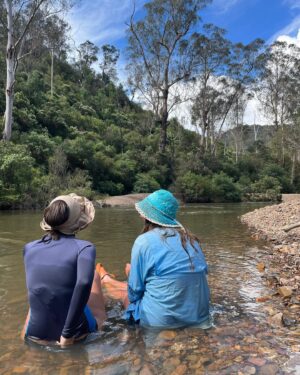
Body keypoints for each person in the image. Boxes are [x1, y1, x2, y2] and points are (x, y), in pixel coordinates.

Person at [97, 189, 210, 329]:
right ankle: (107, 279)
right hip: (199, 319)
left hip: (160, 323)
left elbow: (134, 294)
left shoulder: (144, 241)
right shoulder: (192, 240)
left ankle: (106, 280)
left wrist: (131, 274)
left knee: (126, 295)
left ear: (147, 216)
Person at [22, 193, 106, 346]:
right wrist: (67, 334)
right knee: (100, 312)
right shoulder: (85, 248)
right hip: (73, 335)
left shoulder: (28, 248)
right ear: (76, 221)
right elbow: (83, 283)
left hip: (35, 334)